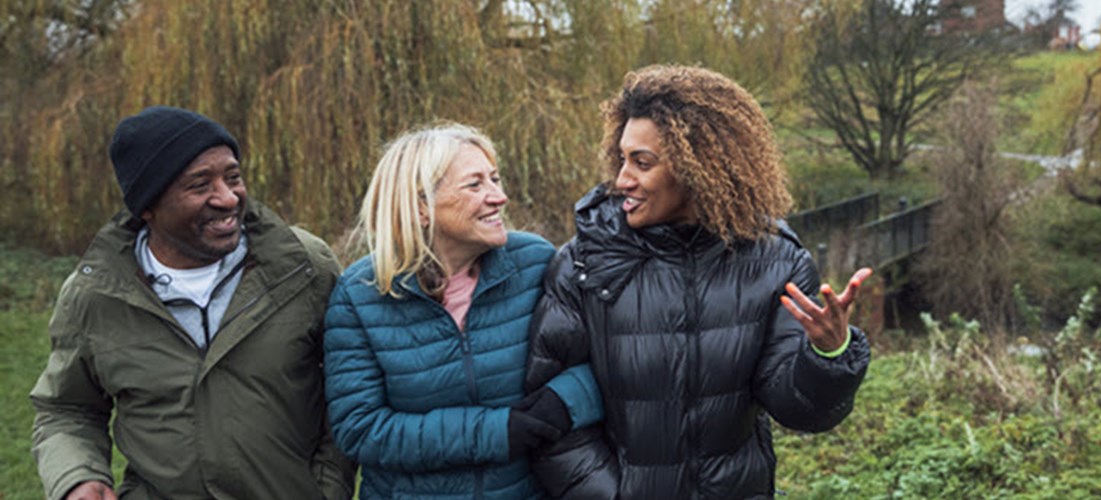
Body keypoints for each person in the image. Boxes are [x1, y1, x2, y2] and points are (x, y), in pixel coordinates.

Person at [526, 65, 874, 498]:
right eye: (621, 159)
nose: (621, 180)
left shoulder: (777, 261)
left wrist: (828, 354)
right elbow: (550, 417)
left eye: (642, 162)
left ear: (701, 167)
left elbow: (802, 412)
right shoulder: (584, 263)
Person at [30, 106, 356, 499]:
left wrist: (327, 485)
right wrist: (78, 476)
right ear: (148, 206)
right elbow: (67, 408)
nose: (228, 198)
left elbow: (350, 384)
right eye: (200, 185)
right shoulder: (96, 294)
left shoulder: (304, 267)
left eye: (233, 177)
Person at [322, 122, 603, 499]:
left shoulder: (536, 263)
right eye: (475, 185)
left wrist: (563, 403)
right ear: (420, 207)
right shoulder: (361, 294)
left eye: (495, 179)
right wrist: (494, 432)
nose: (499, 196)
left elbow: (603, 360)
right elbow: (361, 428)